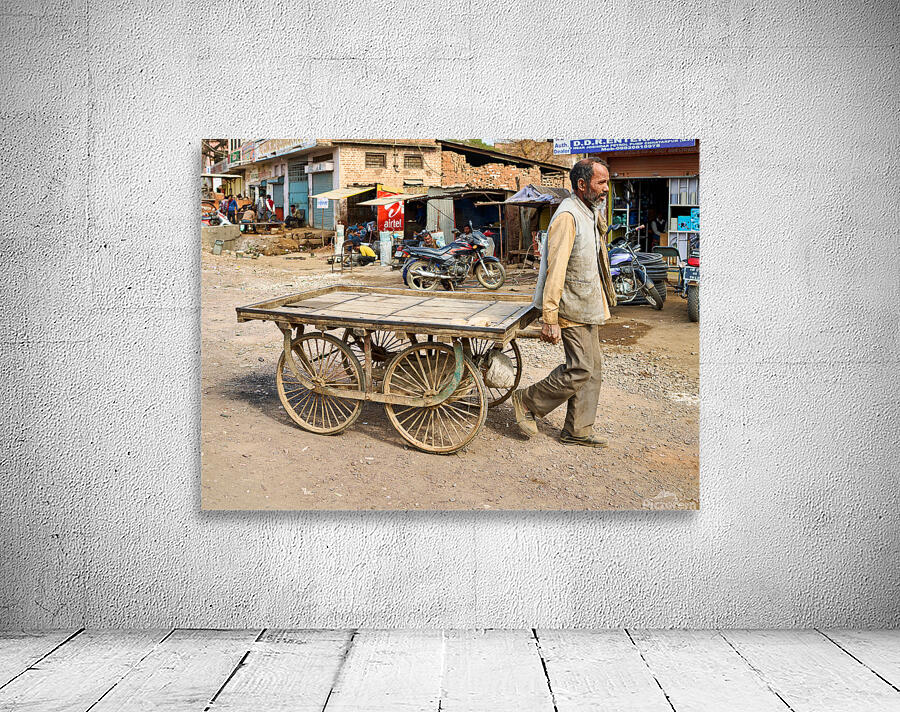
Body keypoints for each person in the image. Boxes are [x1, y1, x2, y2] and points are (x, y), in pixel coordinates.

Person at [511, 158, 617, 447]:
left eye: (607, 182)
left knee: (593, 370)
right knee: (581, 368)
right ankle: (528, 400)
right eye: (601, 183)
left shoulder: (588, 211)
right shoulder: (568, 216)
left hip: (588, 305)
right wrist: (550, 316)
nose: (606, 189)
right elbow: (554, 270)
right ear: (582, 185)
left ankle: (577, 430)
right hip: (570, 305)